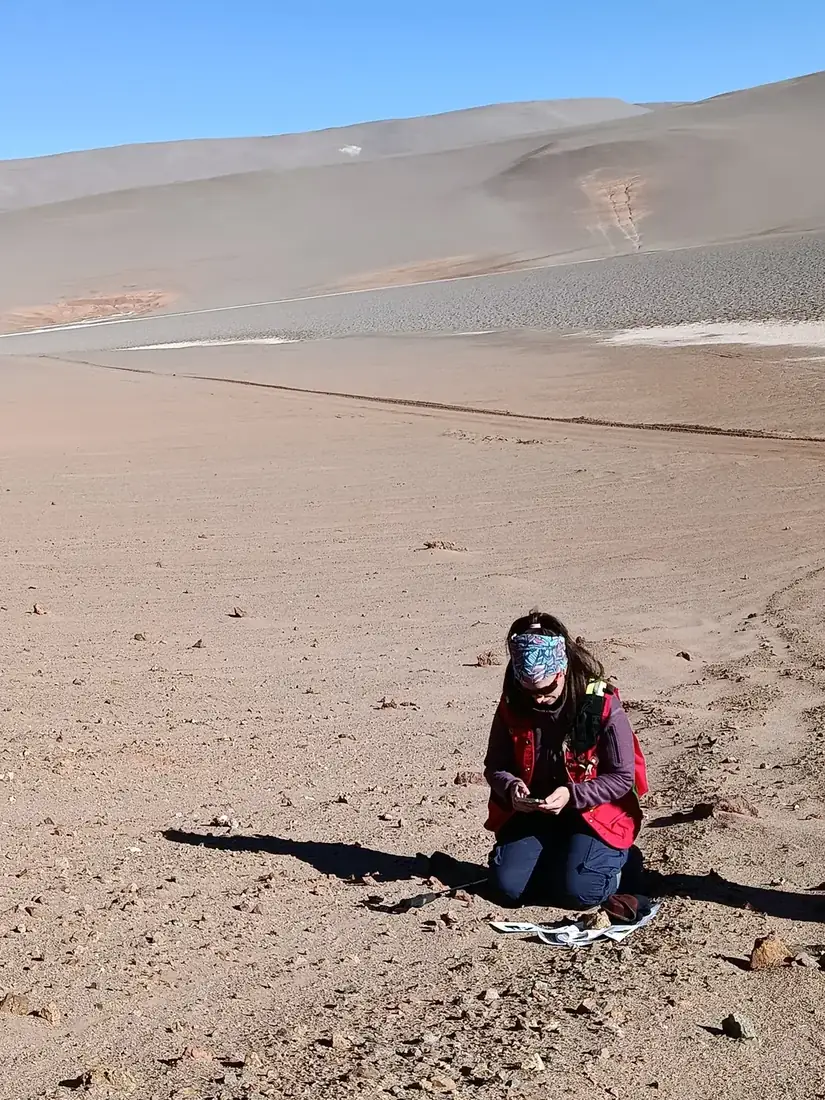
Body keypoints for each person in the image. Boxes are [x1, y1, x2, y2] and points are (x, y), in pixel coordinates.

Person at [484, 610, 648, 911]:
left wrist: (572, 794)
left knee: (580, 895)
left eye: (546, 689)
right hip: (536, 814)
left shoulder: (602, 705)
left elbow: (623, 777)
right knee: (507, 890)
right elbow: (495, 765)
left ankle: (624, 861)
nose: (538, 699)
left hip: (595, 814)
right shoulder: (513, 703)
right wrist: (511, 788)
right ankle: (564, 860)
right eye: (528, 690)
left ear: (562, 671)